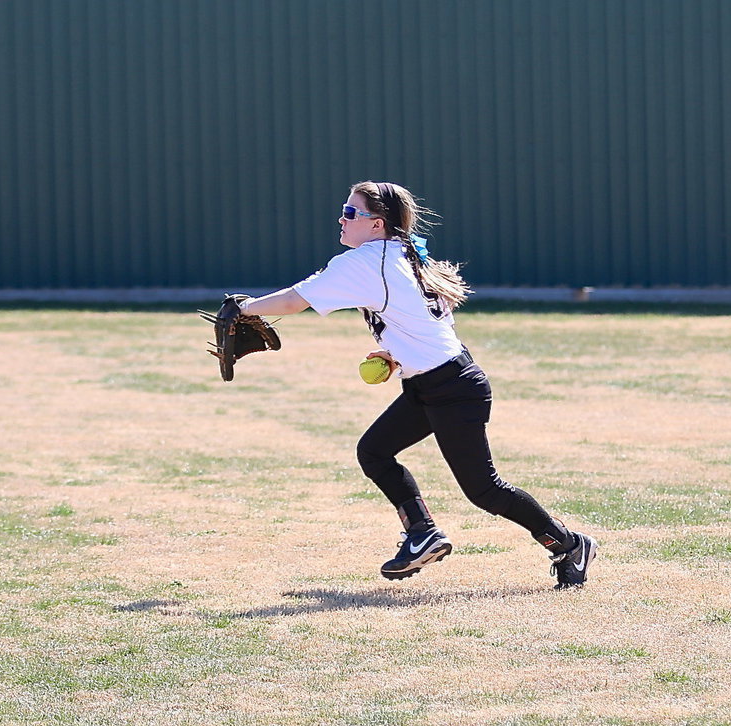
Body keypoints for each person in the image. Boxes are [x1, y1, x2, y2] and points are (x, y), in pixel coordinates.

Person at [237, 181, 597, 589]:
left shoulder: (368, 260)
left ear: (378, 225)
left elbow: (293, 301)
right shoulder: (401, 254)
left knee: (484, 490)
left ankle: (569, 544)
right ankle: (422, 533)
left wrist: (243, 309)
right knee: (374, 452)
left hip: (453, 388)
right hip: (435, 382)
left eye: (351, 212)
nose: (342, 218)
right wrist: (396, 353)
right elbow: (425, 322)